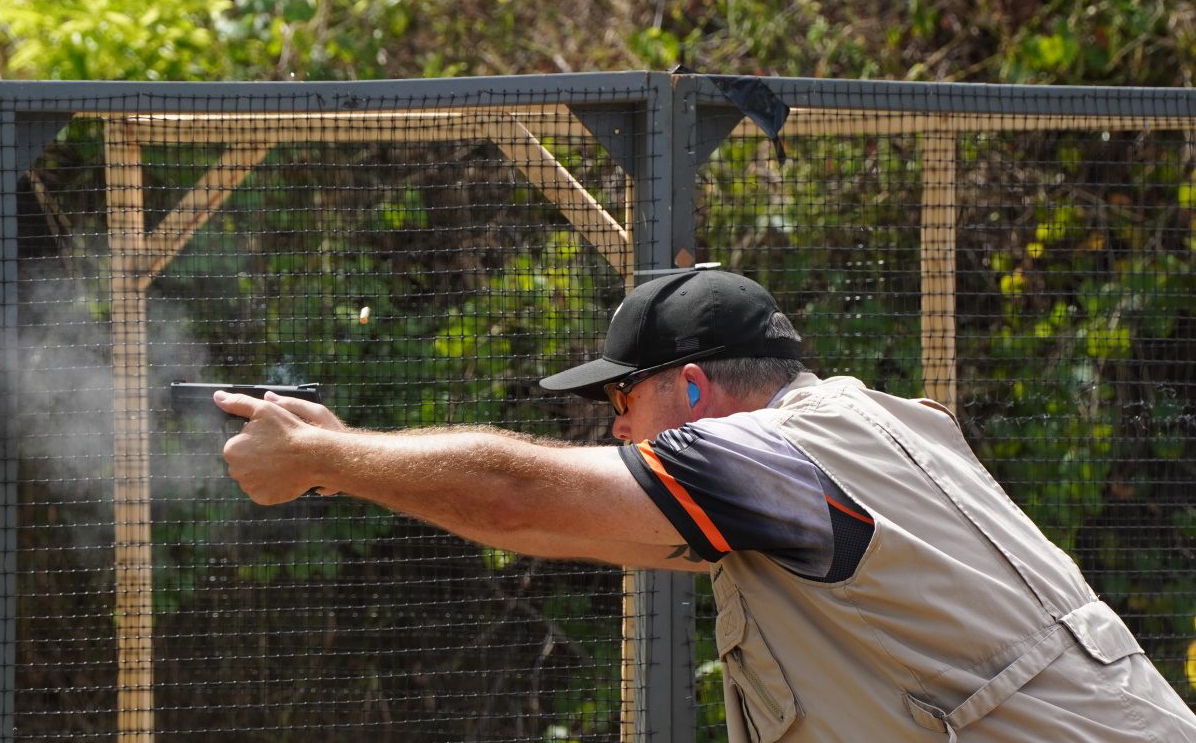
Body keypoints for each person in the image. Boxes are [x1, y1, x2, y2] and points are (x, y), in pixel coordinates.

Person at [216, 269, 1196, 742]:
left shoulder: (776, 454)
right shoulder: (870, 429)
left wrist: (318, 452)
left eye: (618, 400)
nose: (614, 431)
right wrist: (338, 465)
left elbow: (519, 497)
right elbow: (554, 525)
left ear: (689, 392)